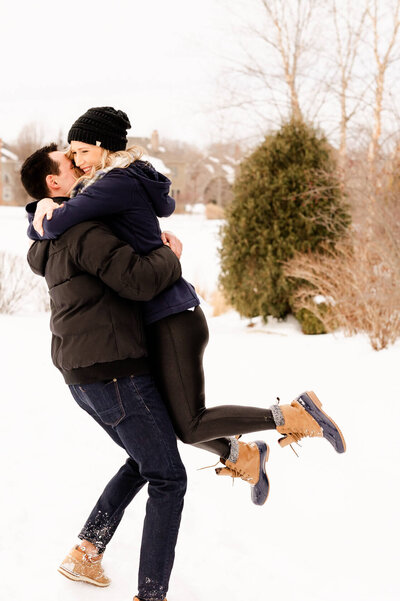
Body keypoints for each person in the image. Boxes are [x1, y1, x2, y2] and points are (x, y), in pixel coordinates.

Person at [26, 107, 346, 509]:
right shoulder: (108, 184)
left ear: (105, 148)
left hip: (172, 316)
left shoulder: (114, 184)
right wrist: (42, 207)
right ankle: (243, 456)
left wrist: (43, 210)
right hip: (158, 320)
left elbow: (56, 225)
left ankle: (294, 415)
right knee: (176, 424)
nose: (77, 160)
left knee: (189, 423)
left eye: (82, 151)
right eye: (72, 154)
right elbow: (60, 223)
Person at [21, 145, 188, 601]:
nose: (79, 165)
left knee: (144, 459)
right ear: (54, 184)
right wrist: (171, 253)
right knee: (168, 477)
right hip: (116, 371)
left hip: (81, 373)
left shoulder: (46, 237)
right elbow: (139, 280)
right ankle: (150, 595)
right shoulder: (85, 229)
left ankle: (87, 551)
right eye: (69, 164)